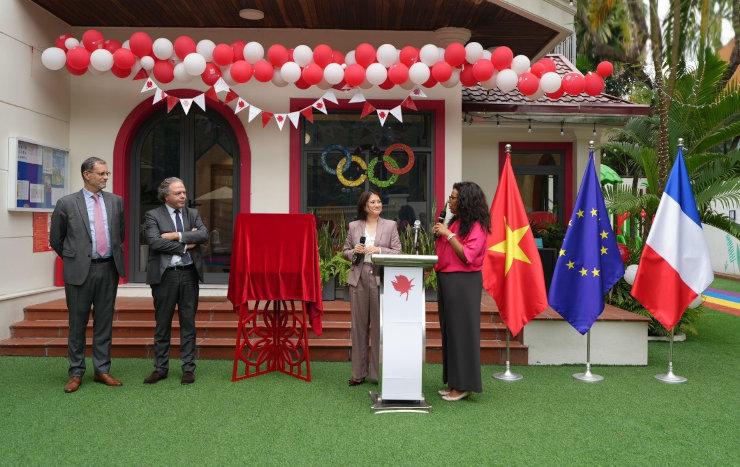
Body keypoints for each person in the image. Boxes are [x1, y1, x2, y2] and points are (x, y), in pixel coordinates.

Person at [50, 156, 126, 393]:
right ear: (87, 175)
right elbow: (56, 240)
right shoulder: (66, 203)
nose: (105, 177)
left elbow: (119, 235)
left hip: (108, 269)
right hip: (79, 271)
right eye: (101, 173)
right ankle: (76, 372)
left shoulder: (116, 202)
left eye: (107, 174)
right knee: (77, 323)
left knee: (104, 322)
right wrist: (76, 258)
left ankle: (102, 370)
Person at [142, 177, 208, 385]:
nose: (183, 196)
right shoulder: (153, 215)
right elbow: (154, 242)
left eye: (184, 192)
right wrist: (186, 244)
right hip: (165, 277)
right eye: (178, 193)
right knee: (163, 323)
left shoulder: (193, 213)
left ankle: (188, 369)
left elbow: (203, 235)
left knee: (188, 323)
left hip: (189, 274)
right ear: (166, 196)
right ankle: (161, 368)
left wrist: (174, 235)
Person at [432, 181, 490, 401]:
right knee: (451, 332)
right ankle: (454, 382)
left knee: (462, 333)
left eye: (454, 197)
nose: (450, 200)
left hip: (463, 283)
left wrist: (447, 234)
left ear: (465, 200)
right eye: (450, 196)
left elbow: (467, 255)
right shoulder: (457, 222)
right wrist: (443, 233)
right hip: (447, 279)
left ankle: (465, 384)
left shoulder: (477, 225)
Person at [342, 190, 401, 386]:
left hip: (379, 279)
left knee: (377, 327)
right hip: (358, 278)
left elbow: (398, 251)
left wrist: (379, 250)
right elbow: (344, 252)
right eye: (373, 202)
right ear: (365, 206)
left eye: (379, 201)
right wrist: (354, 251)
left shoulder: (390, 225)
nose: (377, 205)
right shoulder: (353, 226)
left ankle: (377, 374)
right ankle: (358, 374)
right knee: (358, 327)